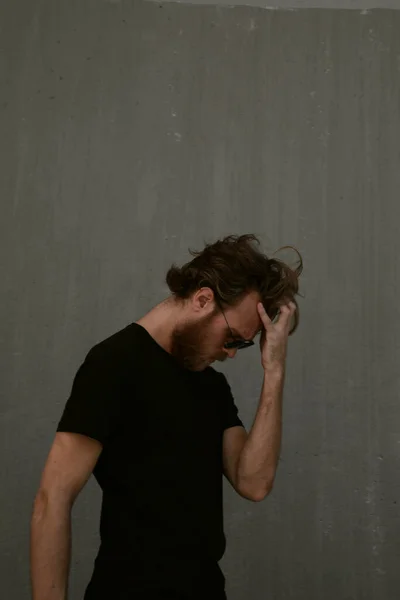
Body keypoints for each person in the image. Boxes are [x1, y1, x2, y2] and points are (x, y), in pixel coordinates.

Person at [30, 234, 302, 600]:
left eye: (241, 345)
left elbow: (253, 482)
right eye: (232, 338)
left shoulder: (211, 385)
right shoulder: (114, 365)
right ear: (203, 299)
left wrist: (274, 371)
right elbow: (52, 500)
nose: (231, 354)